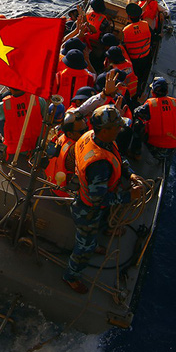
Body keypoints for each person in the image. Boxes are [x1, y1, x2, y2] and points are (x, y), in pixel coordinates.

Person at [63, 105, 144, 294]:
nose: (120, 129)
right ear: (105, 130)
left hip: (90, 201)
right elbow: (99, 199)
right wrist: (129, 196)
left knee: (96, 227)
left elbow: (117, 156)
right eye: (116, 126)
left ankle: (95, 241)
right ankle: (71, 276)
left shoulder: (92, 136)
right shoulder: (99, 166)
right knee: (84, 247)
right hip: (87, 210)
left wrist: (130, 174)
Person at [132, 77, 176, 163]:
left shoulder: (150, 105)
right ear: (167, 92)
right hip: (174, 148)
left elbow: (136, 113)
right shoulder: (175, 104)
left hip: (156, 148)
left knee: (138, 124)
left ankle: (136, 153)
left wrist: (139, 103)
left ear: (152, 92)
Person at [0, 88, 46, 162]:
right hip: (36, 144)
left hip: (16, 147)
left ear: (10, 88)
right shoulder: (38, 100)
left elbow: (1, 117)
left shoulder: (3, 105)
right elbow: (45, 116)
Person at [44, 111, 87, 197]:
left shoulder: (62, 137)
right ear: (70, 134)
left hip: (51, 181)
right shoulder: (74, 150)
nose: (86, 133)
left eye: (87, 129)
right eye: (83, 131)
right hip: (63, 192)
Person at [122, 3, 153, 96]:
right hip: (146, 56)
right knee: (143, 74)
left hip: (133, 59)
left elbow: (123, 44)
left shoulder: (126, 30)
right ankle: (143, 87)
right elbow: (152, 37)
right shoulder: (146, 24)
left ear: (129, 17)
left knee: (136, 76)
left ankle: (135, 91)